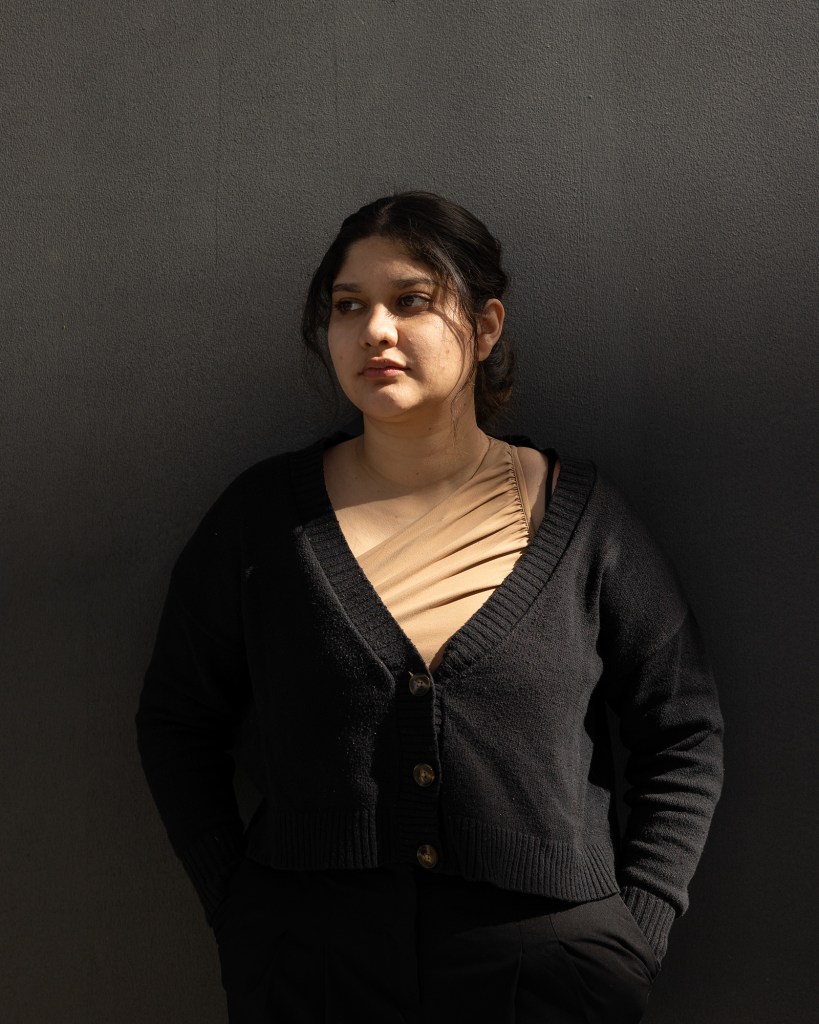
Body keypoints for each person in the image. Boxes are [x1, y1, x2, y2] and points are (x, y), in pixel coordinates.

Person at [136, 191, 724, 1023]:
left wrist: (637, 927)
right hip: (310, 969)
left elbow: (683, 728)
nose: (374, 330)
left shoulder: (586, 518)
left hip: (547, 974)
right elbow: (177, 720)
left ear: (484, 327)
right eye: (348, 307)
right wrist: (238, 910)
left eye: (411, 300)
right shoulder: (264, 519)